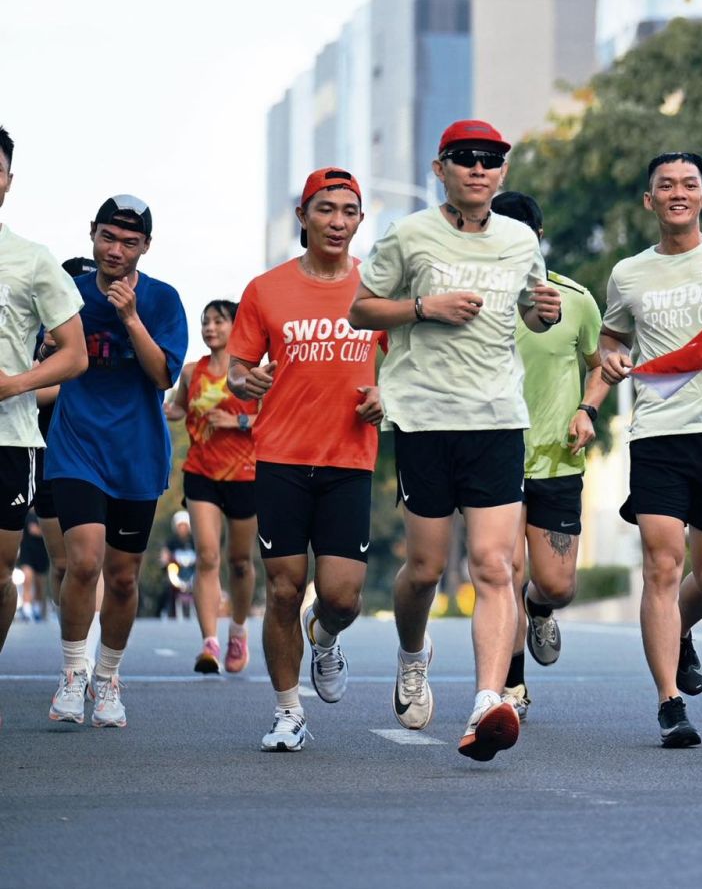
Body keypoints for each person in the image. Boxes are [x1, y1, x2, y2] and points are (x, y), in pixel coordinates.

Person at [350, 122, 561, 762]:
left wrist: (542, 312)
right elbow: (361, 308)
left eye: (492, 161)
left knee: (495, 566)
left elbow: (529, 308)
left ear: (502, 173)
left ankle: (487, 701)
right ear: (440, 168)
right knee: (425, 568)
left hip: (497, 417)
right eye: (466, 160)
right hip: (424, 418)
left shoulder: (520, 238)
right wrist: (423, 309)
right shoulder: (409, 234)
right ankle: (413, 656)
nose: (479, 169)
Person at [597, 150, 702, 748]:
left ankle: (680, 630)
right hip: (658, 433)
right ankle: (669, 702)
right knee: (662, 566)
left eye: (689, 183)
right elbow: (612, 336)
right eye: (665, 185)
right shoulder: (628, 273)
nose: (678, 193)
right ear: (650, 200)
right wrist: (609, 358)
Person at [230, 167, 386, 752]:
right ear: (303, 216)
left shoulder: (376, 290)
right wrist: (248, 382)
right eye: (325, 209)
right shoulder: (265, 289)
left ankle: (324, 635)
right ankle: (288, 711)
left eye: (348, 211)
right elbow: (238, 371)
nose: (337, 221)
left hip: (350, 460)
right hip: (281, 459)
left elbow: (405, 365)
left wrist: (385, 396)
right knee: (284, 588)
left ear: (360, 221)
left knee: (342, 596)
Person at [46, 194, 187, 728]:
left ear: (145, 247)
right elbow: (48, 356)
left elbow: (162, 375)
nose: (116, 249)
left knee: (123, 578)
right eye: (108, 237)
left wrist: (129, 317)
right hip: (77, 445)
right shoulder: (67, 294)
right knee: (83, 561)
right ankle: (73, 672)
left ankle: (107, 678)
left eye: (130, 242)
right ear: (92, 234)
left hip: (137, 452)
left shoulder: (163, 300)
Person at [488, 190, 605, 721]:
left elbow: (602, 362)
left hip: (557, 458)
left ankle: (539, 610)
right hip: (494, 457)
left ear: (537, 239)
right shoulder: (473, 301)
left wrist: (588, 410)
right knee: (505, 572)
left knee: (556, 584)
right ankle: (513, 685)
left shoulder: (573, 299)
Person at [0, 125, 88, 669]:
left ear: (8, 182)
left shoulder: (32, 259)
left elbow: (74, 354)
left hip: (9, 438)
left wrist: (13, 384)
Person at [165, 299, 259, 674]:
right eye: (205, 322)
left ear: (236, 326)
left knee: (239, 562)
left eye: (219, 322)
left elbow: (274, 415)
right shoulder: (191, 372)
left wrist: (237, 420)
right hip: (201, 472)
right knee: (206, 556)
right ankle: (209, 644)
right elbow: (178, 408)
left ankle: (237, 630)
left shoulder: (253, 373)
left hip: (246, 475)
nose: (210, 329)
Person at [30, 258, 99, 608]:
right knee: (62, 564)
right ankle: (72, 646)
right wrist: (48, 356)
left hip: (95, 456)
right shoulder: (42, 335)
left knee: (89, 563)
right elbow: (28, 392)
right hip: (48, 455)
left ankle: (86, 651)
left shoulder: (107, 334)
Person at [158, 510, 198, 619]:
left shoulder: (194, 541)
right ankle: (163, 611)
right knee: (166, 591)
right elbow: (164, 554)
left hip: (192, 573)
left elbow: (202, 553)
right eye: (180, 526)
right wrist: (164, 560)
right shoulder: (171, 542)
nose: (182, 528)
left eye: (184, 526)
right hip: (176, 573)